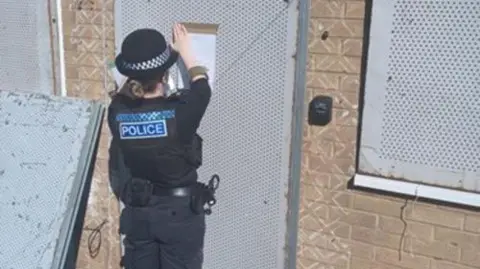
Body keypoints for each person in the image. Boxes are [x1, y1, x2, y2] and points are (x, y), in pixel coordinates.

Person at [107, 23, 218, 269]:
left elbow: (125, 96)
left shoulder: (116, 113)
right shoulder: (180, 114)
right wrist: (187, 52)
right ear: (165, 74)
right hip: (180, 217)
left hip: (139, 215)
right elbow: (201, 86)